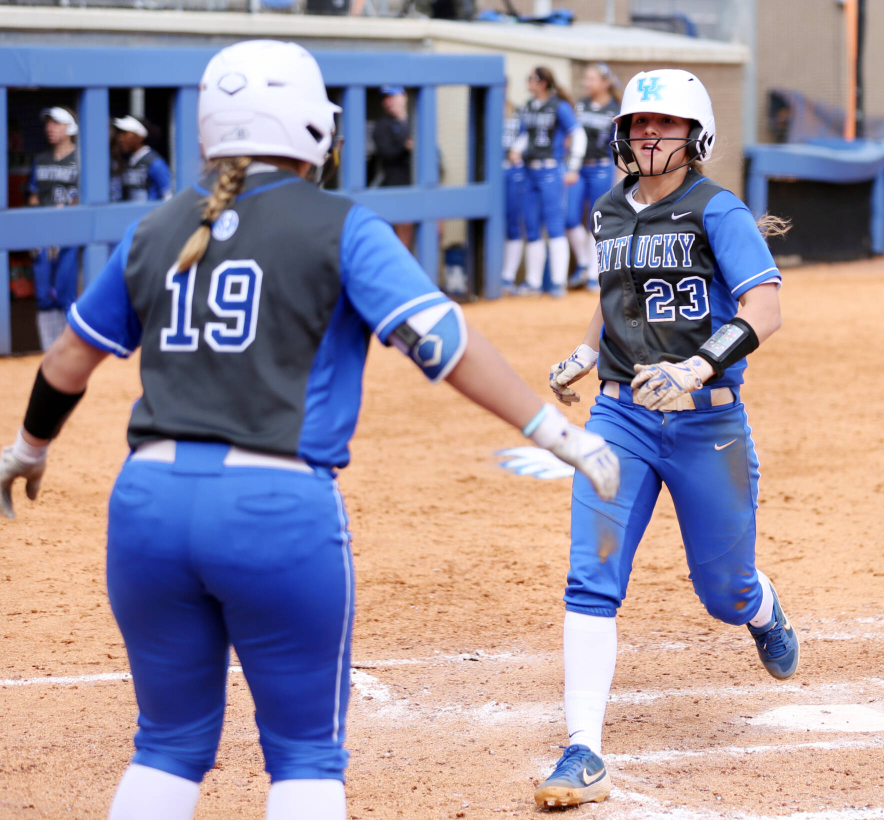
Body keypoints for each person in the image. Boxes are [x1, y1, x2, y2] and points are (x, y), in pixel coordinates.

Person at [0, 39, 619, 820]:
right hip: (274, 509)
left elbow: (65, 361)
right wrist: (559, 434)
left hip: (147, 504)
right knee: (303, 758)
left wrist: (27, 448)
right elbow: (446, 344)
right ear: (305, 127)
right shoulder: (339, 224)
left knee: (166, 750)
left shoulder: (157, 227)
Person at [534, 68, 798, 809]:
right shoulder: (609, 210)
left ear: (695, 136)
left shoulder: (718, 209)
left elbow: (765, 308)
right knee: (592, 576)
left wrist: (695, 365)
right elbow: (612, 298)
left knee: (724, 591)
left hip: (706, 419)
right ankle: (582, 749)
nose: (649, 135)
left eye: (666, 124)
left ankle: (763, 607)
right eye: (639, 124)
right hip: (621, 417)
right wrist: (589, 353)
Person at [506, 66, 584, 298]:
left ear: (542, 82)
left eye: (531, 79)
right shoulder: (529, 106)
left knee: (554, 224)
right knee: (531, 224)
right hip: (530, 170)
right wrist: (516, 149)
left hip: (551, 169)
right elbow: (525, 135)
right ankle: (533, 282)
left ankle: (558, 282)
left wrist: (573, 166)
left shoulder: (559, 106)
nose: (528, 83)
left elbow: (578, 134)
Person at [28, 106, 81, 352]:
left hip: (68, 236)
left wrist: (63, 226)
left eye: (56, 123)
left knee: (65, 294)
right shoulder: (40, 160)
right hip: (43, 237)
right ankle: (47, 350)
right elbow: (34, 197)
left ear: (70, 128)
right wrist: (36, 233)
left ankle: (67, 349)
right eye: (48, 124)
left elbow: (81, 199)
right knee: (42, 296)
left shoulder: (80, 160)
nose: (50, 128)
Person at [564, 62, 621, 292]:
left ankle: (594, 273)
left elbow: (619, 147)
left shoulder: (615, 109)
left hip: (602, 167)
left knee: (597, 220)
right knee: (570, 218)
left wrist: (620, 177)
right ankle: (584, 264)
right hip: (578, 168)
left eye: (591, 79)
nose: (586, 83)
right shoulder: (580, 105)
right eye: (585, 79)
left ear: (605, 82)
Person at [372, 85, 415, 250]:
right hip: (396, 184)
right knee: (400, 231)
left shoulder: (415, 121)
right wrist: (405, 146)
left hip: (417, 184)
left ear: (403, 97)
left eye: (392, 96)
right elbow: (386, 153)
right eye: (385, 98)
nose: (388, 102)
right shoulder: (382, 126)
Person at [499, 100, 527, 294]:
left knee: (514, 224)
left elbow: (527, 135)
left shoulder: (519, 112)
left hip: (515, 172)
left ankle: (507, 277)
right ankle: (496, 275)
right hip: (494, 173)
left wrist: (517, 149)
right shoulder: (487, 111)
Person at [113, 116, 173, 202]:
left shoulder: (155, 163)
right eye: (120, 134)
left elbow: (168, 194)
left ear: (139, 137)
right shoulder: (129, 161)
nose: (120, 139)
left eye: (125, 134)